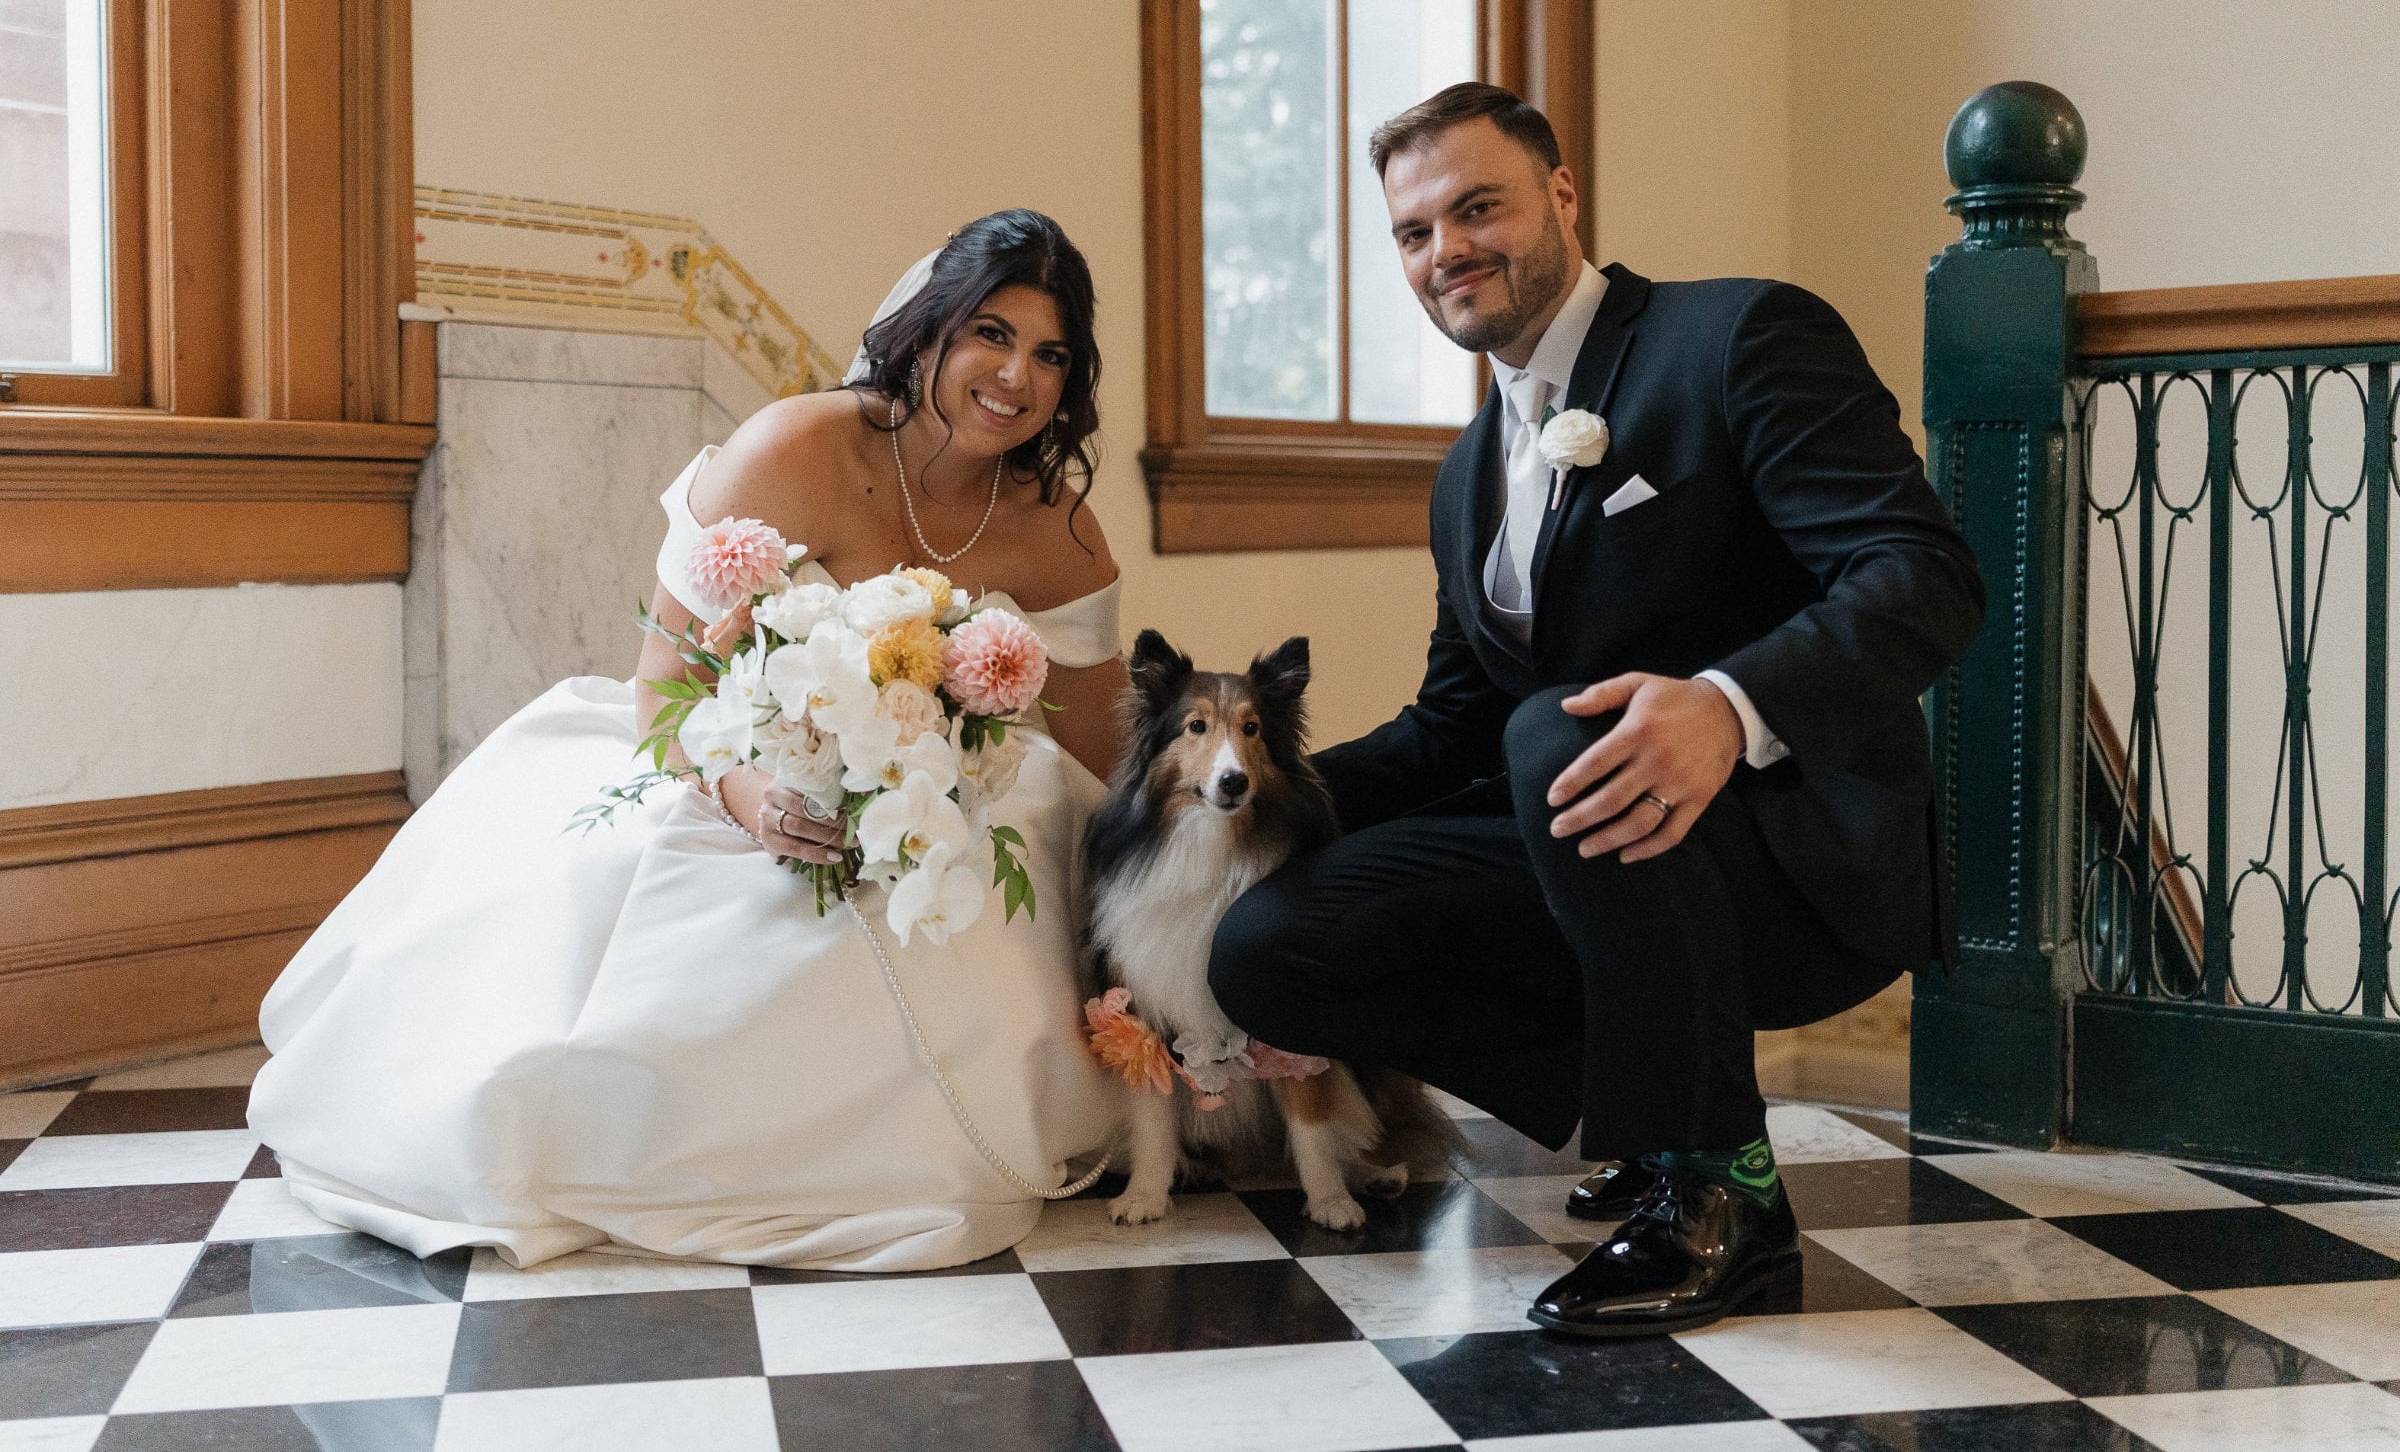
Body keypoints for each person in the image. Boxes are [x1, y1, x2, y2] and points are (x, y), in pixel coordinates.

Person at [1207, 83, 1985, 1335]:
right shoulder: (1470, 474)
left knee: (1555, 727)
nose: (1446, 249)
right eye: (1414, 232)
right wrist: (1221, 831)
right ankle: (1636, 1115)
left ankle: (1720, 1197)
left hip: (1799, 860)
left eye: (1478, 207)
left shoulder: (1736, 337)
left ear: (1561, 196)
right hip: (1592, 858)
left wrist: (1731, 707)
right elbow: (1445, 728)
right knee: (1264, 946)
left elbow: (1926, 575)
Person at [250, 209, 1129, 1273]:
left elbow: (1108, 762)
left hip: (924, 795)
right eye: (991, 332)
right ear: (932, 327)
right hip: (725, 763)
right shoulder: (798, 448)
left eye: (1049, 354)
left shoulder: (1056, 525)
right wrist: (761, 795)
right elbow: (664, 689)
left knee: (1020, 834)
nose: (1015, 376)